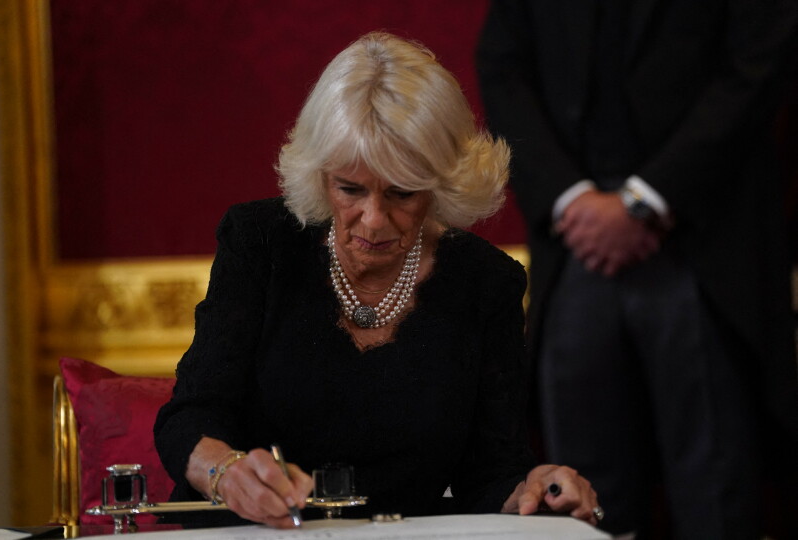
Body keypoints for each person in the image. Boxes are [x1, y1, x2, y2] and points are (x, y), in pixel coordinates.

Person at [154, 32, 602, 530]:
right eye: (350, 188)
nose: (373, 220)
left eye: (403, 193)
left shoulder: (486, 282)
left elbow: (492, 472)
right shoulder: (260, 244)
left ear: (441, 183)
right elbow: (189, 418)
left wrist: (537, 489)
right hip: (251, 532)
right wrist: (226, 472)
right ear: (322, 175)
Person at [477, 1, 798, 539]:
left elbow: (759, 62)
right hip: (575, 248)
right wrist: (571, 199)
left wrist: (646, 201)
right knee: (583, 507)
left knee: (715, 496)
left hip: (706, 249)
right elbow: (502, 63)